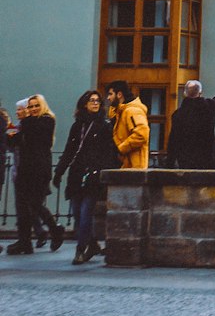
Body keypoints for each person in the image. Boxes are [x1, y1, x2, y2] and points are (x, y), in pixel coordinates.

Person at [53, 89, 118, 265]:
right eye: (92, 101)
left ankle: (80, 250)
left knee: (85, 213)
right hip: (76, 173)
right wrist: (59, 172)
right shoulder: (78, 126)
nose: (96, 103)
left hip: (92, 174)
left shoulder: (104, 125)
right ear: (84, 104)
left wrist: (100, 171)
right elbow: (69, 150)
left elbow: (108, 152)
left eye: (98, 101)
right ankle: (93, 244)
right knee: (77, 213)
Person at [7, 94, 64, 255]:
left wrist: (21, 124)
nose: (33, 109)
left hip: (39, 170)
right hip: (25, 170)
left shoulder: (46, 120)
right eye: (30, 106)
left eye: (35, 105)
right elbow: (13, 142)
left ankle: (54, 229)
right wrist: (11, 133)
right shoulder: (27, 123)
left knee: (35, 204)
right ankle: (24, 242)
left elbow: (34, 133)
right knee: (23, 208)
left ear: (42, 106)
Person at [164, 68, 215, 169]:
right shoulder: (209, 107)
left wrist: (169, 164)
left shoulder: (178, 115)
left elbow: (173, 141)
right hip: (209, 159)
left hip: (187, 162)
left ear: (185, 93)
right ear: (200, 93)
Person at [107, 82, 150, 169]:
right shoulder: (119, 111)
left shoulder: (132, 111)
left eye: (110, 94)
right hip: (126, 164)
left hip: (133, 166)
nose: (108, 98)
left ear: (119, 94)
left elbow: (141, 135)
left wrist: (121, 148)